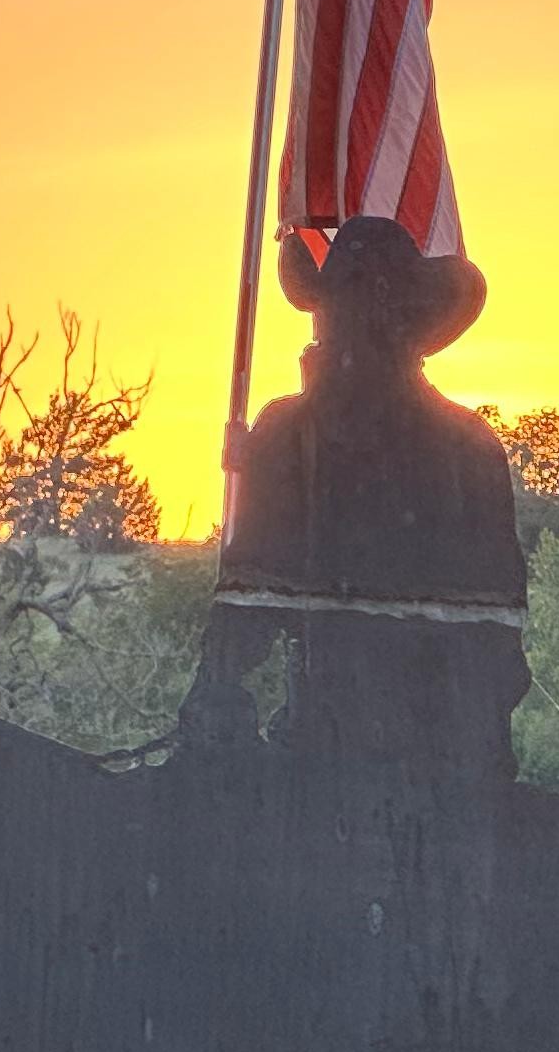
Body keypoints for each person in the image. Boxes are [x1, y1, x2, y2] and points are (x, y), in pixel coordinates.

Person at [176, 211, 532, 784]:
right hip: (448, 760)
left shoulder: (291, 433)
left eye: (349, 313)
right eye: (336, 313)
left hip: (342, 758)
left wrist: (215, 705)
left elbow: (245, 617)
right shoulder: (469, 442)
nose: (333, 330)